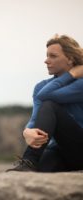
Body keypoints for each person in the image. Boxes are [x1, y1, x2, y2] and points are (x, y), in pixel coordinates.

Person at [6, 34, 83, 172]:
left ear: (70, 59)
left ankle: (29, 160)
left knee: (49, 105)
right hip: (61, 151)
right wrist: (27, 132)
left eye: (53, 56)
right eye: (47, 55)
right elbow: (35, 119)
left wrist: (71, 75)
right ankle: (29, 163)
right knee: (40, 168)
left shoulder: (80, 84)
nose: (46, 61)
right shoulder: (41, 86)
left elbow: (46, 96)